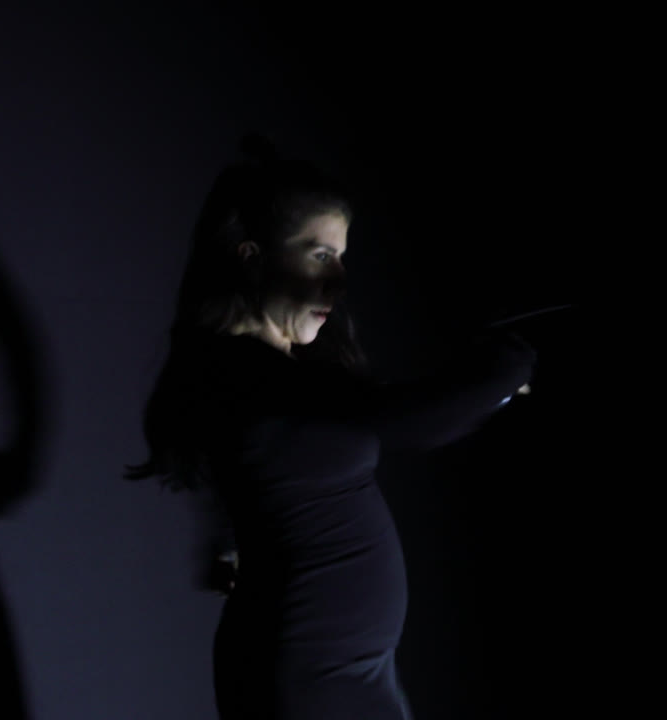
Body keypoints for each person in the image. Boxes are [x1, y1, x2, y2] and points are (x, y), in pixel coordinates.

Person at [127, 135, 535, 718]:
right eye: (320, 255)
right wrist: (508, 363)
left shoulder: (265, 374)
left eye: (342, 259)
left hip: (344, 665)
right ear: (253, 257)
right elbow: (416, 420)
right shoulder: (245, 370)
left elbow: (262, 466)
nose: (339, 281)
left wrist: (228, 537)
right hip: (313, 674)